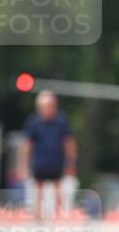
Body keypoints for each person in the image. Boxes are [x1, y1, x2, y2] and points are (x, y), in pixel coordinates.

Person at [19, 91, 76, 219]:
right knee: (38, 191)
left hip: (56, 162)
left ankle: (58, 216)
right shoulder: (34, 123)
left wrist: (70, 163)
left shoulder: (61, 122)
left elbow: (69, 144)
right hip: (39, 163)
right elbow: (27, 145)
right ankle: (38, 218)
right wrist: (23, 165)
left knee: (58, 190)